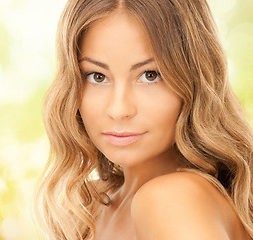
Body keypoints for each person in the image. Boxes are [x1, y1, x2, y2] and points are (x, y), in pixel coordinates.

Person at [34, 0, 253, 239]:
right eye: (97, 76)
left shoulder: (172, 199)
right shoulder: (87, 207)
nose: (119, 110)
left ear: (194, 81)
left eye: (150, 75)